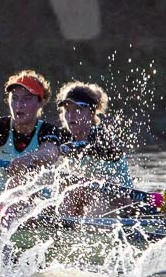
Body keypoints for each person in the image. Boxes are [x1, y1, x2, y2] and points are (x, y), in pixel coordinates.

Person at [51, 81, 136, 215]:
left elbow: (93, 149)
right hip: (80, 197)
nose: (71, 115)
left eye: (77, 109)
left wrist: (71, 148)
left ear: (91, 113)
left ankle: (87, 229)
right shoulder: (61, 137)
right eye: (67, 110)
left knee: (91, 194)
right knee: (67, 190)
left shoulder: (102, 138)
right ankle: (65, 225)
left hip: (119, 200)